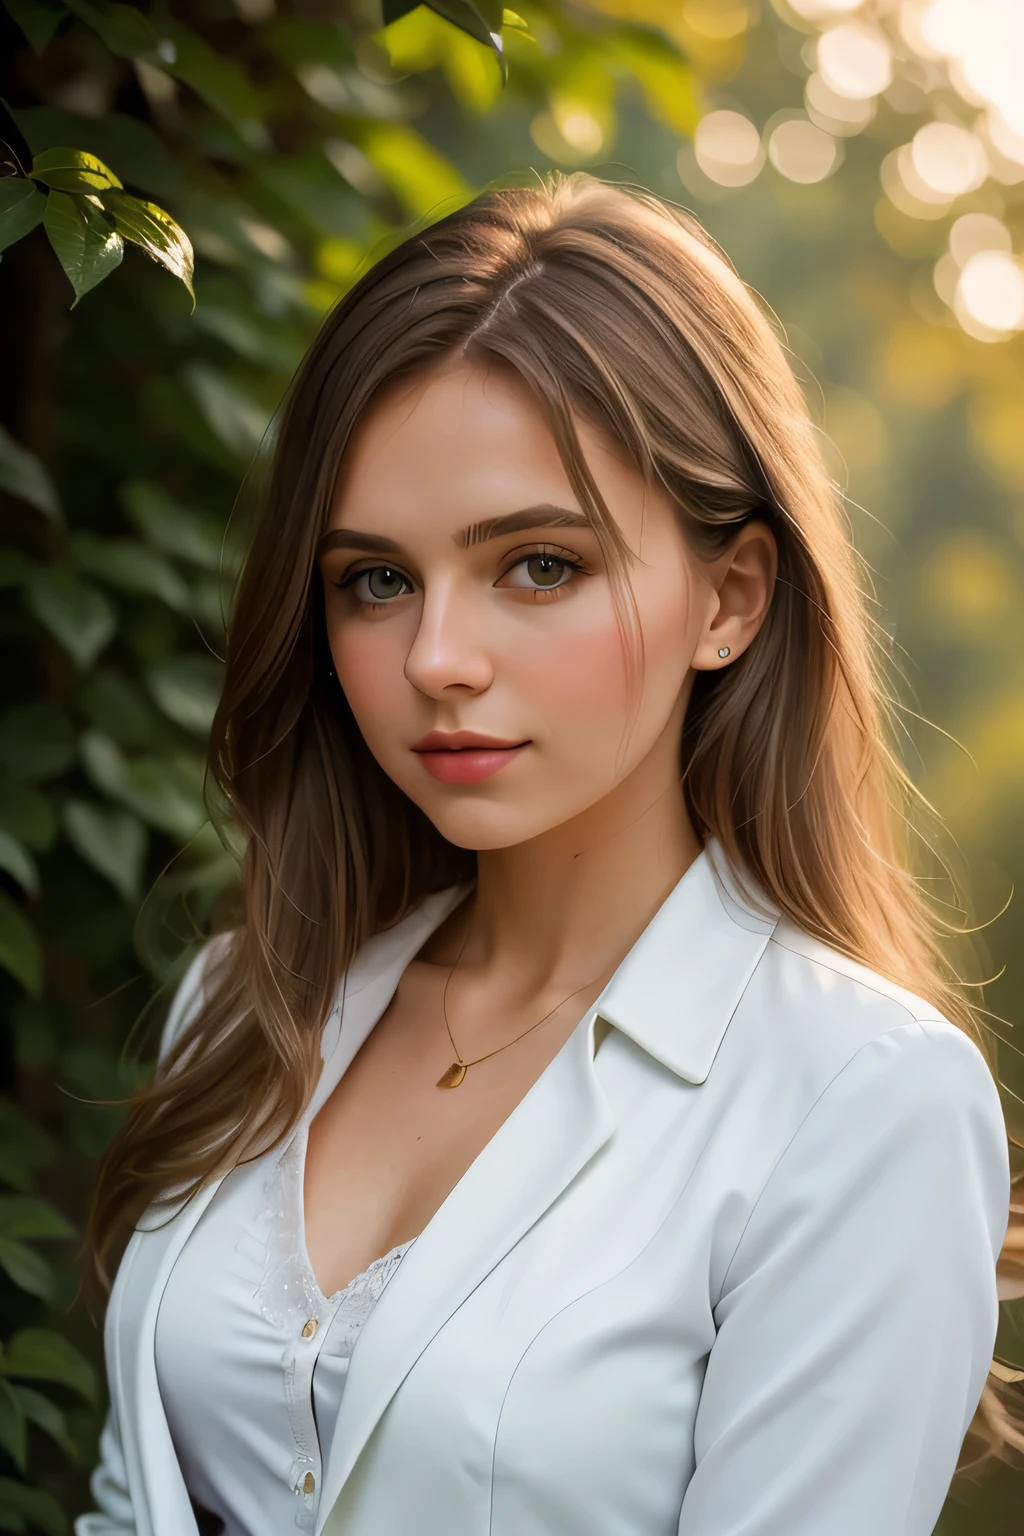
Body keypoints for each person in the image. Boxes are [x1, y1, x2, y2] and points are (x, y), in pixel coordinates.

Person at [77, 173, 1016, 1536]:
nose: (436, 660)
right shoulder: (242, 1004)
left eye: (539, 566)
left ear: (731, 599)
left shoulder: (862, 1104)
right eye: (376, 581)